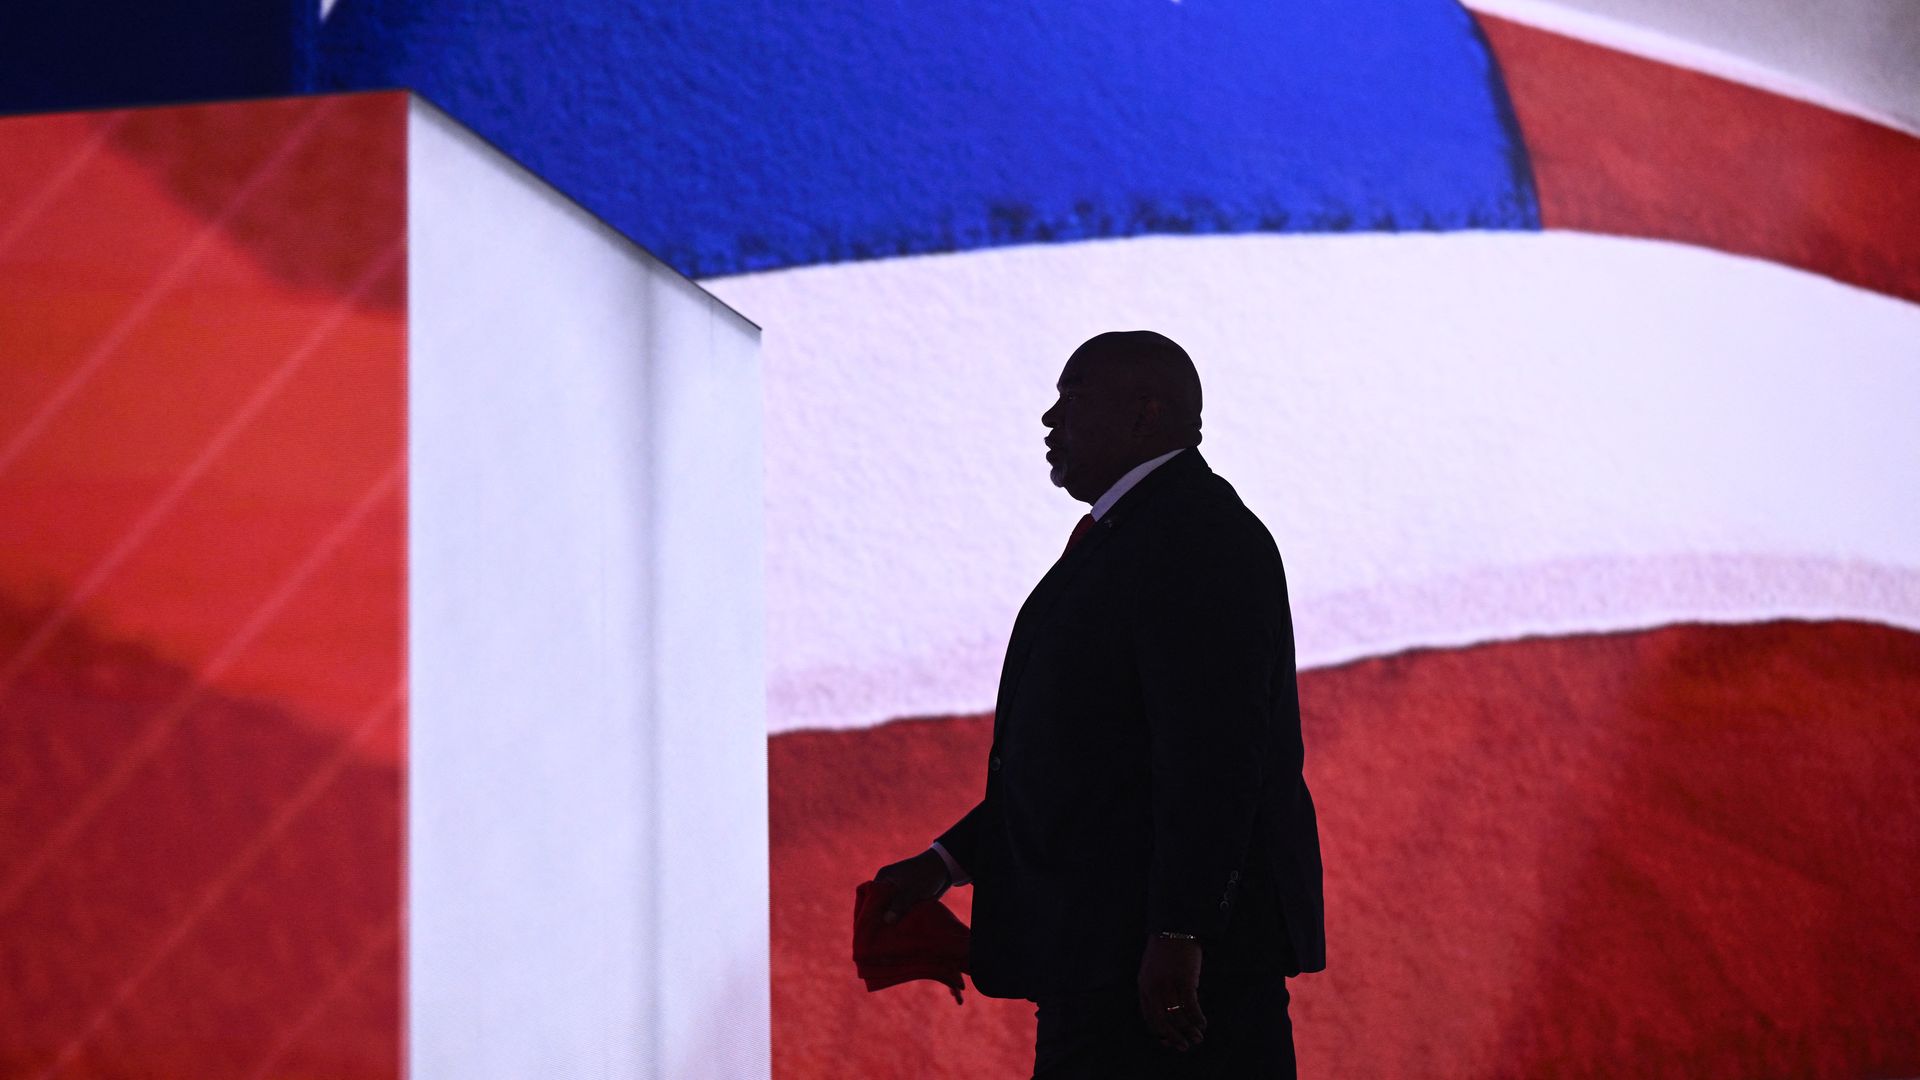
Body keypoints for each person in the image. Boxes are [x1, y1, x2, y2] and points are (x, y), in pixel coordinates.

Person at [874, 330, 1325, 1078]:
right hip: (1110, 965)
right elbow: (1094, 763)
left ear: (1147, 413)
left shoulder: (1198, 536)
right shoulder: (1132, 537)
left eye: (1072, 397)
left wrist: (1180, 932)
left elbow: (1212, 759)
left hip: (1168, 980)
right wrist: (944, 863)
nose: (1050, 420)